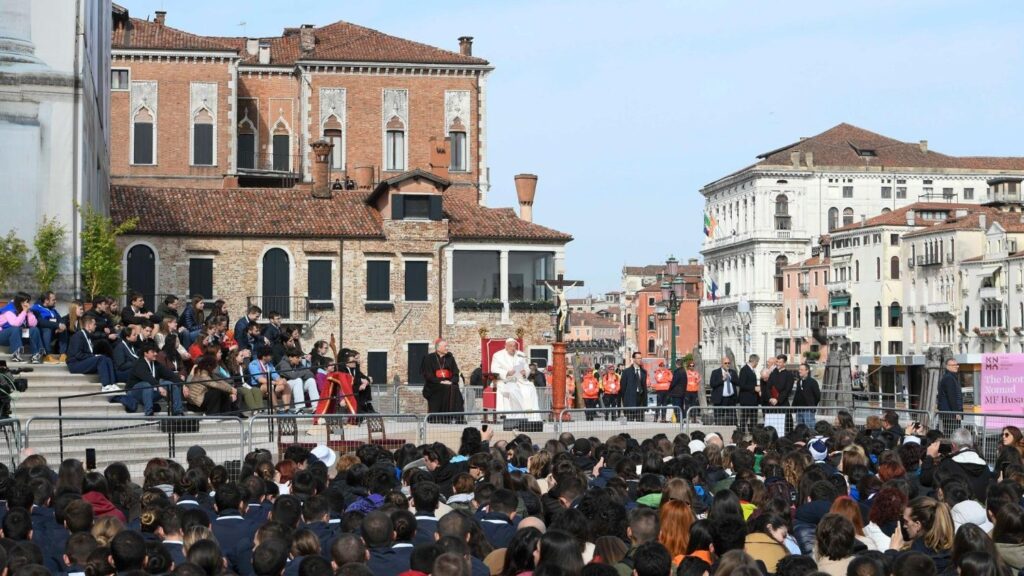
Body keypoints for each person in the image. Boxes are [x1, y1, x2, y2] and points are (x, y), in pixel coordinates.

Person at [891, 496, 954, 574]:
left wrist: (892, 552)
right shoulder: (953, 550)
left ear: (917, 525)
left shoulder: (912, 559)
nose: (904, 526)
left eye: (906, 521)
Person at [128, 341, 186, 416]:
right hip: (135, 392)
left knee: (171, 385)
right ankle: (149, 413)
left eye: (156, 351)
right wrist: (159, 387)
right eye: (153, 352)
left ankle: (178, 411)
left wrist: (183, 385)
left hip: (152, 391)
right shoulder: (139, 364)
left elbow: (170, 375)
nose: (156, 354)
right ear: (145, 353)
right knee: (147, 385)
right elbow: (147, 378)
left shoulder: (156, 364)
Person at [490, 338, 540, 420]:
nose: (513, 348)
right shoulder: (497, 355)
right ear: (505, 346)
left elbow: (527, 368)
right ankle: (515, 416)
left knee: (531, 388)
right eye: (510, 346)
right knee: (513, 390)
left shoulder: (521, 355)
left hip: (520, 380)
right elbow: (494, 369)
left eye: (514, 346)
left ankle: (532, 417)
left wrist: (525, 372)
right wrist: (507, 372)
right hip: (505, 381)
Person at [66, 313, 116, 387]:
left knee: (107, 359)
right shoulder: (78, 336)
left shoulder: (88, 336)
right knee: (100, 359)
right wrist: (94, 356)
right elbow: (77, 355)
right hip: (75, 364)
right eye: (94, 324)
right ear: (89, 325)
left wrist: (94, 356)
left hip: (83, 361)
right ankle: (106, 385)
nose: (96, 326)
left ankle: (112, 384)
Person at [421, 339, 464, 422]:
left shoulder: (450, 358)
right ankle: (437, 418)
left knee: (454, 389)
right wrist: (440, 381)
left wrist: (451, 381)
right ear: (438, 348)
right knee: (443, 388)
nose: (447, 348)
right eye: (445, 346)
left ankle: (457, 418)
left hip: (448, 382)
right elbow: (428, 375)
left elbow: (456, 373)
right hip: (433, 384)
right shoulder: (428, 358)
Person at [0, 291, 45, 363]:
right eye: (26, 302)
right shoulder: (9, 310)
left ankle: (35, 355)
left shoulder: (25, 310)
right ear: (20, 302)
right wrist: (24, 311)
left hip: (17, 335)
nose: (28, 304)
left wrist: (28, 312)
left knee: (34, 330)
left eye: (28, 302)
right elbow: (16, 324)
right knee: (15, 329)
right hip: (3, 336)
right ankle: (15, 354)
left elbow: (33, 324)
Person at [249, 346, 292, 412]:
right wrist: (275, 383)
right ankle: (277, 409)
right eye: (270, 355)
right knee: (268, 386)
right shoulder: (253, 364)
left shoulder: (269, 365)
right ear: (264, 356)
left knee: (286, 385)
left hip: (270, 384)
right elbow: (260, 379)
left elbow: (275, 376)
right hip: (258, 387)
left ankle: (287, 409)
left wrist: (281, 380)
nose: (271, 356)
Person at [277, 348, 319, 412]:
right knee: (298, 380)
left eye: (299, 357)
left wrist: (301, 373)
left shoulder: (298, 363)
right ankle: (299, 408)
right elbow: (292, 376)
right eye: (297, 357)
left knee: (311, 381)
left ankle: (316, 407)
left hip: (296, 386)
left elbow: (310, 374)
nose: (299, 360)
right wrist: (303, 373)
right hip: (284, 387)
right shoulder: (283, 363)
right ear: (290, 357)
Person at [30, 291, 64, 356]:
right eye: (53, 300)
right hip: (41, 332)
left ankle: (63, 354)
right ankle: (48, 354)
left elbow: (60, 319)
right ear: (46, 300)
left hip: (53, 331)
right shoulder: (36, 308)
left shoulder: (52, 309)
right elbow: (41, 322)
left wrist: (62, 325)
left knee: (64, 328)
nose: (55, 301)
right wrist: (57, 325)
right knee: (47, 329)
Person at [709, 357, 738, 426]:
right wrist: (722, 379)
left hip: (731, 398)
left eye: (728, 363)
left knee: (732, 418)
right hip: (720, 399)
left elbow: (738, 382)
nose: (727, 364)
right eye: (725, 363)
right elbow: (712, 384)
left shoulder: (732, 372)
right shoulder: (715, 372)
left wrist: (730, 378)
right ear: (722, 364)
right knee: (719, 418)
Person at [791, 363, 821, 430]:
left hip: (808, 410)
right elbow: (797, 395)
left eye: (801, 369)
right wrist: (794, 407)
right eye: (799, 369)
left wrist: (812, 405)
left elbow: (817, 396)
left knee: (810, 428)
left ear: (807, 370)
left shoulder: (813, 382)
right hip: (799, 409)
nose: (799, 371)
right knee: (800, 429)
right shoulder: (799, 382)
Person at [620, 352, 648, 422]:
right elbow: (623, 388)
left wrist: (645, 402)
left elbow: (644, 386)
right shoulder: (626, 372)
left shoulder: (643, 372)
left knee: (640, 422)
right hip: (630, 400)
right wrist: (625, 401)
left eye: (641, 358)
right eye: (638, 358)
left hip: (640, 399)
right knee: (630, 421)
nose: (640, 360)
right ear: (634, 359)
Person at [936, 358, 963, 432]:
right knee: (953, 434)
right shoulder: (949, 378)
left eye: (957, 365)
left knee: (952, 433)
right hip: (950, 414)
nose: (957, 366)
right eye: (954, 365)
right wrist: (956, 413)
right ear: (947, 366)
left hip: (949, 413)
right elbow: (951, 397)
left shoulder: (951, 377)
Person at [737, 354, 760, 433]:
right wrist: (754, 388)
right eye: (757, 362)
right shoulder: (744, 370)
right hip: (746, 400)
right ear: (754, 361)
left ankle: (753, 434)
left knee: (753, 418)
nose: (757, 364)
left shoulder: (752, 370)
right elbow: (742, 384)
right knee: (745, 418)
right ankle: (742, 434)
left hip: (753, 400)